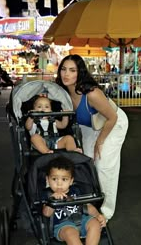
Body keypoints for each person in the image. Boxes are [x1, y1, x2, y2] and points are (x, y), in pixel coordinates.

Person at [55, 54, 129, 221]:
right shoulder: (63, 93)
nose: (66, 74)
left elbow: (112, 118)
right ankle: (90, 203)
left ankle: (105, 212)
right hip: (91, 126)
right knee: (86, 162)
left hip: (112, 124)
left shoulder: (91, 93)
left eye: (72, 70)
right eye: (64, 69)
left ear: (80, 73)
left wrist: (100, 142)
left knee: (103, 165)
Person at [42, 156, 106, 245]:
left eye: (64, 179)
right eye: (54, 179)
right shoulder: (48, 194)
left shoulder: (77, 190)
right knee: (70, 234)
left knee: (95, 224)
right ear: (47, 180)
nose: (59, 183)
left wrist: (98, 215)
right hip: (62, 225)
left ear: (71, 181)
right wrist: (52, 200)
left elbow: (88, 206)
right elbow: (46, 213)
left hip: (82, 219)